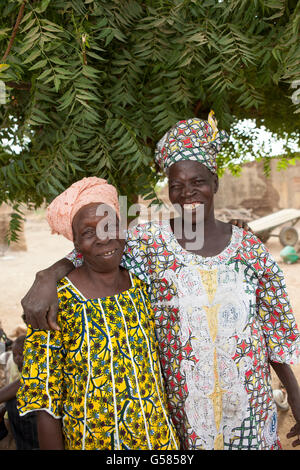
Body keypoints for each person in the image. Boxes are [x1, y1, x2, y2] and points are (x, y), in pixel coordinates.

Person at [21, 113, 300, 450]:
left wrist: (295, 398)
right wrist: (47, 275)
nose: (187, 192)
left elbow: (275, 330)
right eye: (176, 184)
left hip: (250, 409)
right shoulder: (150, 243)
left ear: (215, 182)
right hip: (185, 416)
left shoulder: (249, 248)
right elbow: (95, 249)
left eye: (197, 181)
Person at [17, 177, 179, 451]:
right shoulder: (57, 302)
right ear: (76, 245)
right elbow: (44, 399)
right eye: (88, 232)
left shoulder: (142, 286)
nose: (104, 236)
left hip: (160, 441)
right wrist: (47, 277)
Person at [0, 335, 39, 449]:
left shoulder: (34, 372)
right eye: (14, 355)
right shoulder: (17, 368)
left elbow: (22, 384)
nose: (17, 358)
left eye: (21, 355)